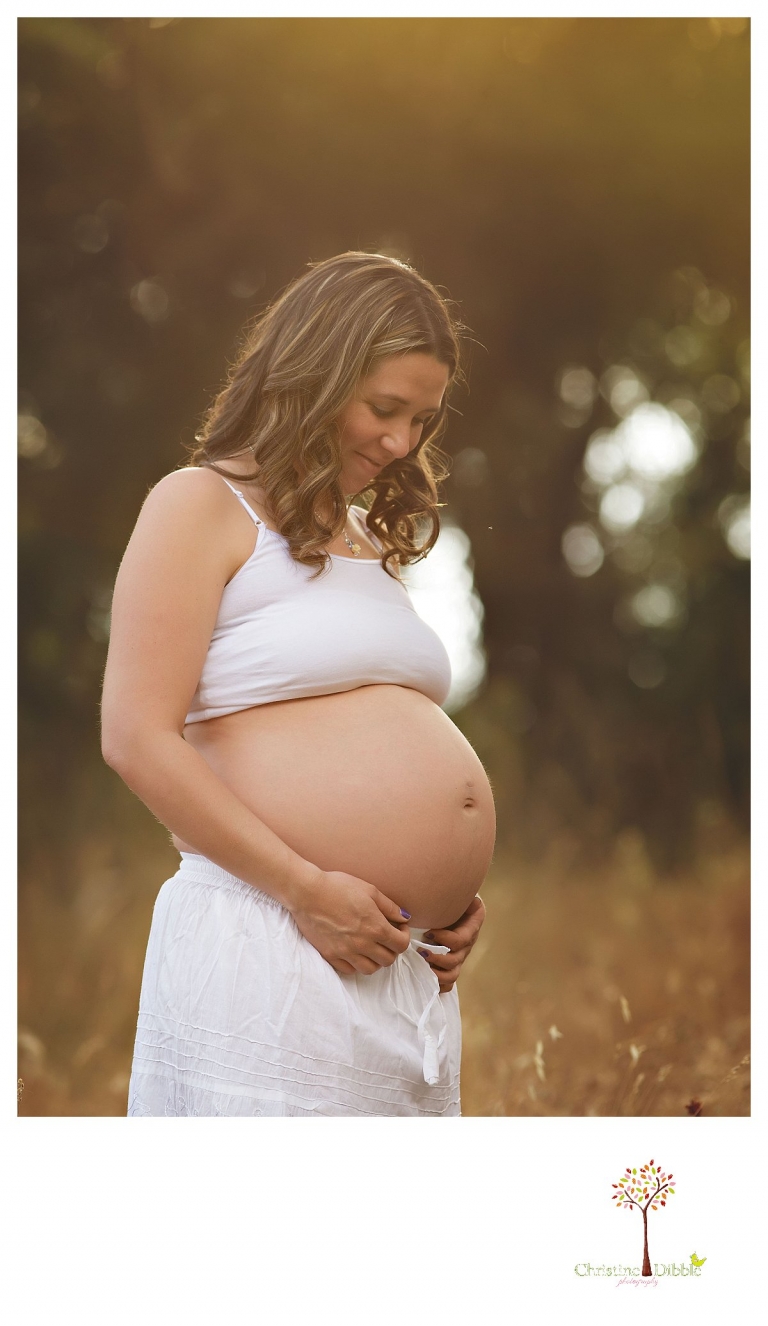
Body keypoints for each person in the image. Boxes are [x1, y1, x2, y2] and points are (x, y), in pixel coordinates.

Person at [101, 250, 495, 1116]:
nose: (401, 443)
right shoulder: (199, 504)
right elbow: (135, 737)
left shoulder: (365, 539)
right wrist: (305, 890)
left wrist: (449, 896)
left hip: (396, 962)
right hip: (270, 938)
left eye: (423, 420)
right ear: (313, 374)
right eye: (384, 408)